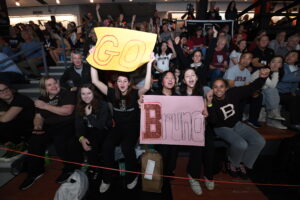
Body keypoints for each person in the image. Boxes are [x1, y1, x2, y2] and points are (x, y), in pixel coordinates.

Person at [91, 52, 154, 193]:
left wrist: (149, 63)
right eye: (119, 81)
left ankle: (132, 176)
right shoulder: (112, 93)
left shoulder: (135, 93)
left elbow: (147, 86)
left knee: (126, 147)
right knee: (107, 146)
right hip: (118, 127)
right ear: (116, 83)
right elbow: (95, 81)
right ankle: (107, 177)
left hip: (132, 127)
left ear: (129, 83)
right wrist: (94, 59)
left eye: (125, 81)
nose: (122, 84)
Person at [19, 76, 83, 190]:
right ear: (44, 88)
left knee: (60, 140)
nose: (54, 86)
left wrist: (45, 106)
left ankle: (69, 169)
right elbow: (38, 116)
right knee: (34, 140)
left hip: (67, 124)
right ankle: (35, 172)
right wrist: (37, 127)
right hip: (50, 126)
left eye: (55, 83)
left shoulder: (67, 94)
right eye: (49, 85)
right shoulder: (41, 98)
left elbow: (67, 111)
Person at [206, 68, 270, 178]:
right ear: (212, 89)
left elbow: (250, 88)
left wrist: (262, 78)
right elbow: (213, 121)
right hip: (221, 127)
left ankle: (244, 164)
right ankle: (233, 163)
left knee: (259, 141)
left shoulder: (233, 93)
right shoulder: (211, 101)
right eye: (215, 87)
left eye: (221, 86)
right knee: (241, 144)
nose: (218, 89)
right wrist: (209, 104)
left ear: (226, 88)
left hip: (236, 124)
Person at [179, 68, 215, 195]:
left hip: (204, 127)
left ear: (197, 77)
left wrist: (207, 110)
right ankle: (193, 176)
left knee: (210, 151)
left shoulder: (204, 90)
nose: (190, 78)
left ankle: (208, 176)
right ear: (183, 80)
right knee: (197, 152)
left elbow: (207, 109)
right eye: (187, 76)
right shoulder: (179, 93)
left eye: (192, 75)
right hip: (188, 129)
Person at [75, 83, 112, 178]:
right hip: (89, 131)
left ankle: (100, 169)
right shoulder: (79, 105)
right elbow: (78, 125)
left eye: (89, 93)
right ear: (80, 95)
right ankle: (93, 167)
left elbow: (100, 125)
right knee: (84, 140)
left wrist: (89, 115)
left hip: (104, 130)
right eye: (83, 94)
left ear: (94, 93)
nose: (86, 96)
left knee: (93, 140)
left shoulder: (102, 104)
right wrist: (81, 138)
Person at [0, 81, 34, 159]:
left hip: (31, 127)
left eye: (6, 89)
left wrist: (4, 115)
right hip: (18, 126)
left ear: (11, 89)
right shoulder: (2, 102)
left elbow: (5, 119)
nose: (4, 92)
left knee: (3, 124)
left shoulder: (20, 99)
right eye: (0, 91)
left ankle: (20, 145)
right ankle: (10, 145)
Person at [251, 56, 286, 129]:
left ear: (281, 65)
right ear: (269, 64)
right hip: (253, 95)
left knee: (273, 92)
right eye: (273, 61)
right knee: (272, 90)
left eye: (279, 62)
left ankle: (273, 117)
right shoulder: (263, 71)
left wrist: (276, 73)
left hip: (262, 95)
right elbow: (272, 86)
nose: (275, 64)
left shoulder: (276, 74)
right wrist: (276, 72)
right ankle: (273, 115)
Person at [277, 51, 300, 131]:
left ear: (297, 59)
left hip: (288, 93)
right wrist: (296, 77)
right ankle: (295, 123)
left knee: (296, 96)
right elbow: (284, 78)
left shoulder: (297, 69)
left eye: (293, 56)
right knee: (294, 99)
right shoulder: (282, 66)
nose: (289, 57)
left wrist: (293, 91)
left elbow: (295, 83)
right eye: (288, 55)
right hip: (278, 92)